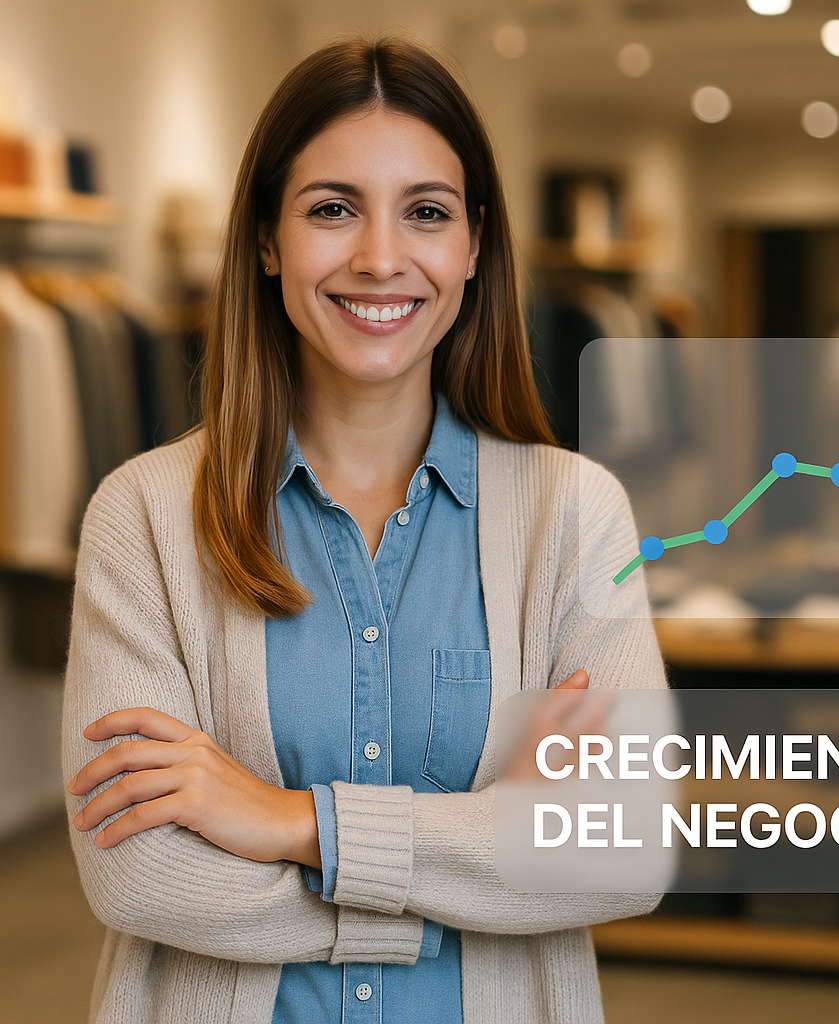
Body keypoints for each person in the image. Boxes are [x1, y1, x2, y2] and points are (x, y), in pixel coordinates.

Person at [62, 37, 666, 1024]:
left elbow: (622, 852)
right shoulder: (146, 518)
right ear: (267, 239)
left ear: (473, 247)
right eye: (332, 208)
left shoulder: (575, 513)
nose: (380, 257)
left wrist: (283, 820)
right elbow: (141, 877)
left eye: (425, 212)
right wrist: (478, 857)